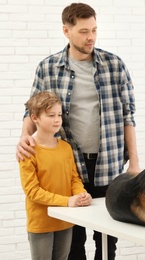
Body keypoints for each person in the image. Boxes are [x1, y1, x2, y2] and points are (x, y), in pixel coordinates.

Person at [16, 3, 141, 259]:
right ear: (66, 31)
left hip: (109, 162)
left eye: (94, 30)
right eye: (84, 31)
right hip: (69, 164)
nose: (91, 37)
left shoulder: (114, 65)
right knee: (73, 239)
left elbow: (129, 116)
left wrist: (135, 164)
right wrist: (23, 139)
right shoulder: (48, 68)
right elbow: (31, 110)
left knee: (107, 239)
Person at [19, 91, 93, 260]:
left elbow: (74, 178)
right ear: (35, 118)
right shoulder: (28, 150)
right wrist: (66, 201)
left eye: (59, 114)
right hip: (41, 222)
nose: (57, 119)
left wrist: (81, 194)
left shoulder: (66, 148)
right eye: (51, 115)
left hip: (65, 220)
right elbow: (32, 192)